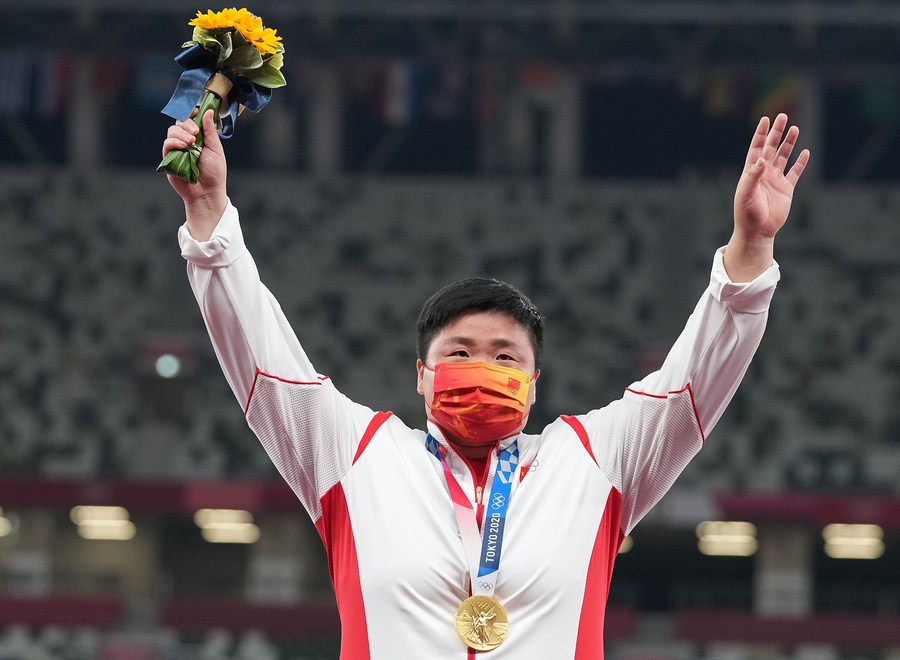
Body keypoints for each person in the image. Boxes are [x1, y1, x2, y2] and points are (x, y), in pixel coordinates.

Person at [163, 111, 809, 659]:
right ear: (422, 376)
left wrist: (750, 248)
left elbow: (691, 388)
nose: (483, 368)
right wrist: (209, 216)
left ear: (533, 384)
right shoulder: (356, 454)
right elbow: (266, 365)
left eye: (505, 357)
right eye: (460, 352)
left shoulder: (592, 461)